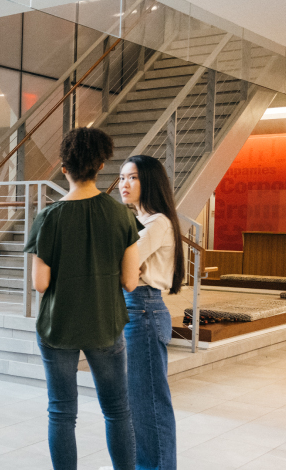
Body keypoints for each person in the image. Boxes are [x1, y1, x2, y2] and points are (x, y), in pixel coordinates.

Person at [25, 128, 140, 470]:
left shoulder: (47, 217)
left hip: (58, 325)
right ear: (101, 164)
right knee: (118, 410)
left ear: (64, 168)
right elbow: (131, 282)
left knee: (61, 412)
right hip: (105, 323)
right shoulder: (122, 215)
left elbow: (41, 283)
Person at [118, 155, 182, 470]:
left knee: (150, 405)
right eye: (121, 178)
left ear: (149, 182)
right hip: (134, 308)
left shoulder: (157, 222)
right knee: (137, 403)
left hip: (143, 308)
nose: (124, 185)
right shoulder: (139, 221)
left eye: (132, 178)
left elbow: (124, 265)